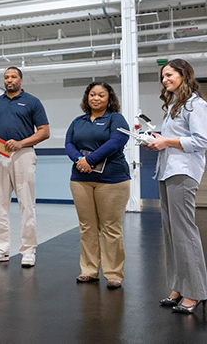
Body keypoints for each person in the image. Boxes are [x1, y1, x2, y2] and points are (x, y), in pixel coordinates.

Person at [145, 58, 207, 314]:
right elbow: (173, 139)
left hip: (183, 173)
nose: (165, 80)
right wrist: (158, 140)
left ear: (184, 75)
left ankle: (195, 292)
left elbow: (201, 140)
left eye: (169, 75)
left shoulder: (196, 105)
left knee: (184, 233)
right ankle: (178, 287)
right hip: (168, 172)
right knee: (171, 233)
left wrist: (167, 141)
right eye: (162, 76)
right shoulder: (173, 105)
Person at [0, 67, 50, 267]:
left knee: (26, 203)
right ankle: (1, 249)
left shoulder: (33, 102)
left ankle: (28, 251)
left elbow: (44, 131)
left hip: (24, 154)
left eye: (13, 77)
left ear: (21, 80)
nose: (9, 80)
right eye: (6, 77)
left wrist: (21, 143)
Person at [65, 82, 130, 289]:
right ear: (87, 98)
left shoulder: (115, 118)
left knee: (111, 228)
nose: (96, 98)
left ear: (109, 98)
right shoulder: (78, 121)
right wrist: (79, 160)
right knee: (87, 228)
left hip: (112, 180)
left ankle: (113, 273)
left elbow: (117, 141)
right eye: (92, 94)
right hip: (80, 179)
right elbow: (69, 143)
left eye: (101, 95)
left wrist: (90, 159)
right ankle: (89, 270)